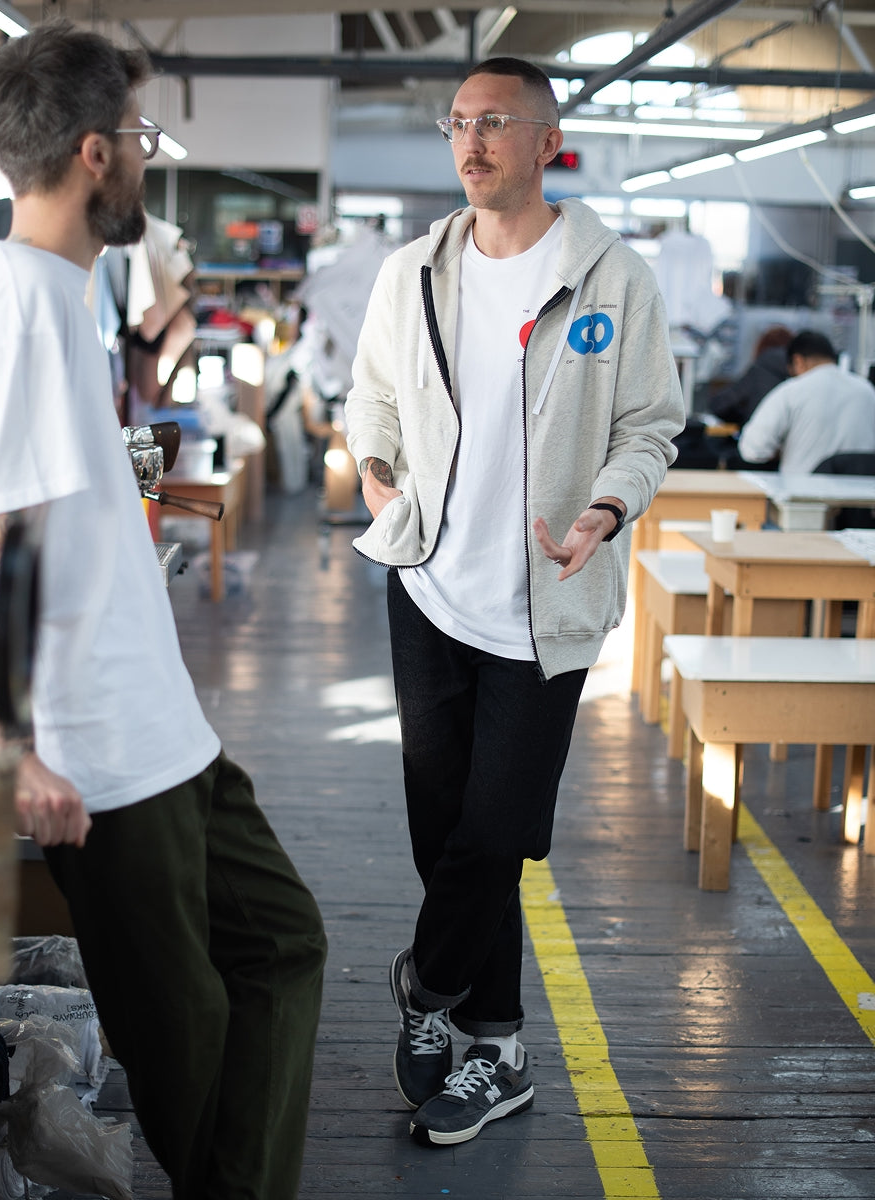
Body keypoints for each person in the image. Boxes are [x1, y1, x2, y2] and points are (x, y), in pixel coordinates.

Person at [0, 22, 325, 1200]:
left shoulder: (66, 292)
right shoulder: (7, 300)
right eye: (143, 136)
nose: (150, 158)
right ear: (96, 152)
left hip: (168, 729)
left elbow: (73, 485)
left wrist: (146, 420)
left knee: (283, 945)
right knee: (187, 1050)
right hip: (97, 755)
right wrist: (16, 749)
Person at [344, 56, 683, 1148]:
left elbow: (650, 425)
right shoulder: (413, 271)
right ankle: (498, 1048)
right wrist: (375, 471)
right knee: (442, 836)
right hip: (429, 589)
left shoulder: (613, 279)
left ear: (548, 142)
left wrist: (606, 508)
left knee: (498, 832)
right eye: (457, 122)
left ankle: (427, 981)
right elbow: (372, 395)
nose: (471, 141)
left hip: (550, 601)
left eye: (494, 122)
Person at [737, 329, 875, 473]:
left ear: (798, 361)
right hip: (861, 486)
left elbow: (753, 450)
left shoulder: (791, 391)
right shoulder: (867, 391)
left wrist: (782, 448)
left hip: (802, 485)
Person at [707, 324, 793, 428]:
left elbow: (720, 404)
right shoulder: (800, 373)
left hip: (759, 432)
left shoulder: (760, 370)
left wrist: (744, 419)